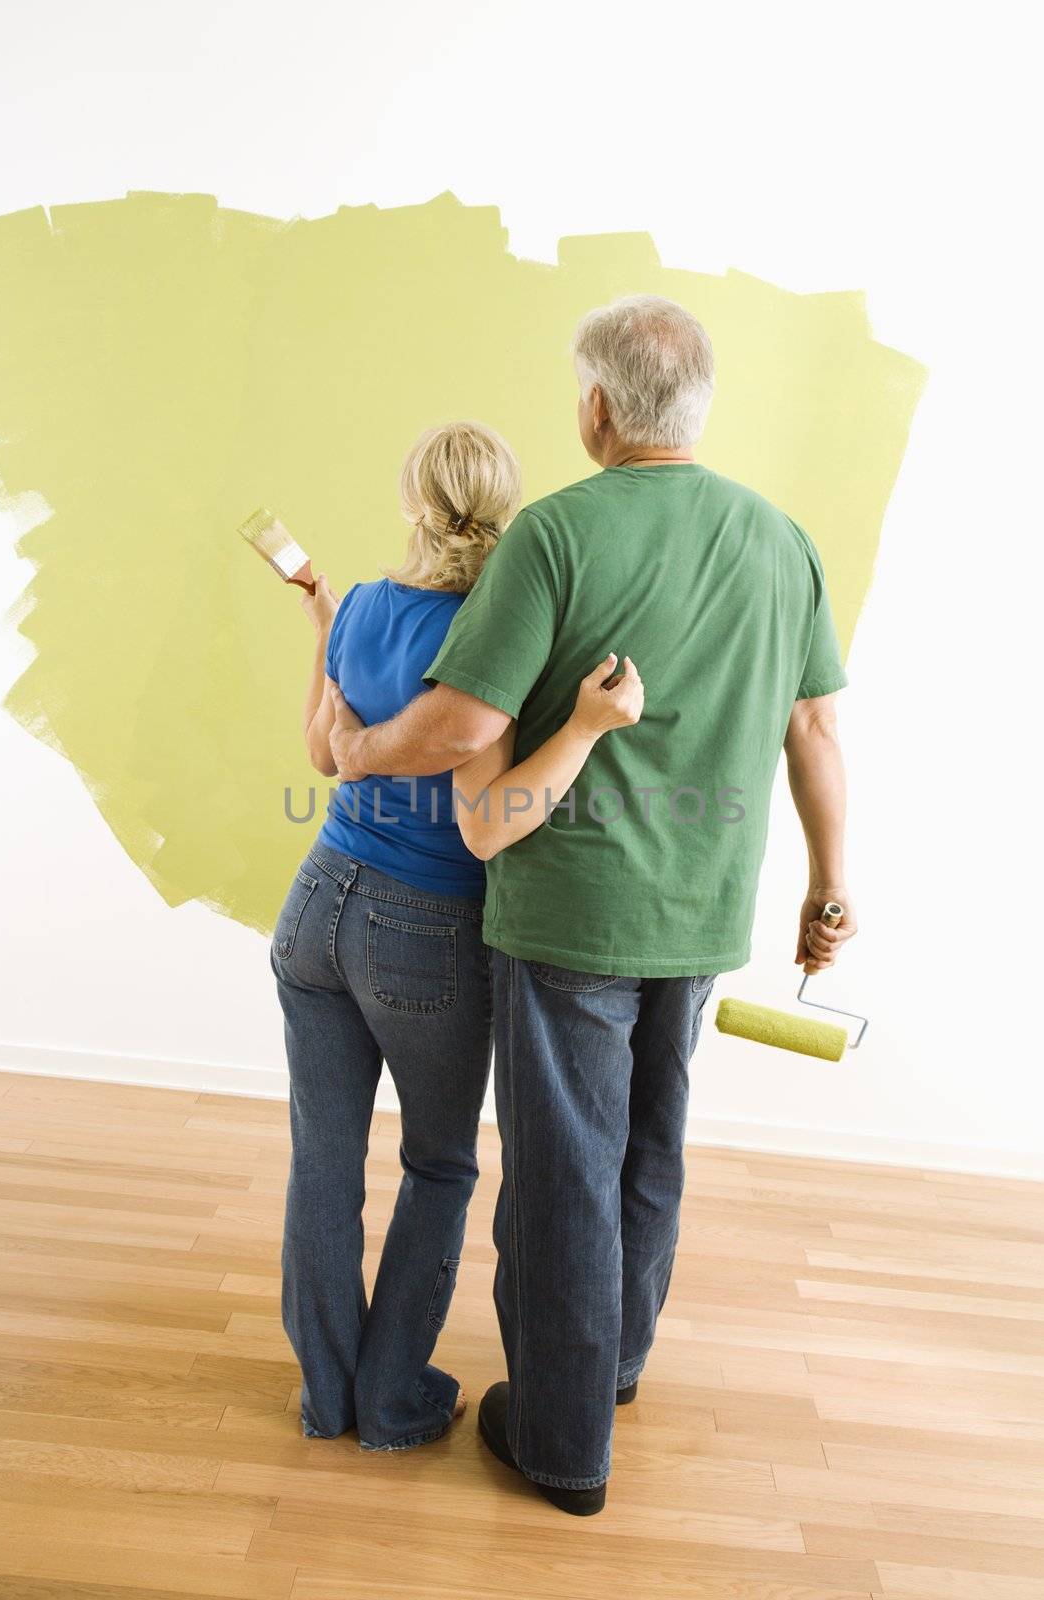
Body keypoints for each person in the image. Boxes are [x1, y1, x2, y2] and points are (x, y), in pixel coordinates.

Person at [329, 295, 858, 1513]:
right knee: (648, 1149)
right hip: (703, 905)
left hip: (569, 912)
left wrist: (355, 754)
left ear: (599, 408)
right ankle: (609, 1360)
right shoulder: (781, 540)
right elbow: (815, 725)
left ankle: (561, 1441)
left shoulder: (556, 535)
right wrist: (830, 886)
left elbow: (464, 723)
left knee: (564, 1169)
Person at [272, 419, 642, 1454]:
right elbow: (496, 817)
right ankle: (391, 1402)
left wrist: (326, 631)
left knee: (323, 1160)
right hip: (424, 928)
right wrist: (583, 728)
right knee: (437, 1164)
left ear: (412, 501)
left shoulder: (371, 608)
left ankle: (326, 1400)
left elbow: (323, 750)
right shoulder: (501, 629)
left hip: (316, 902)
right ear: (508, 509)